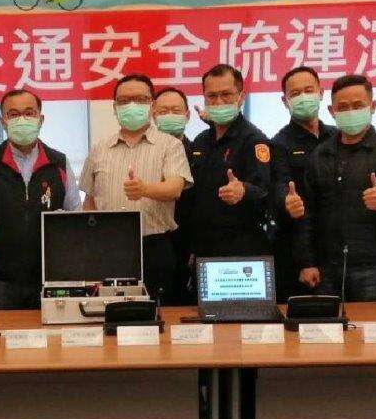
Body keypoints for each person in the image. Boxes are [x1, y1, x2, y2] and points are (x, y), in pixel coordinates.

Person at [293, 74, 376, 301]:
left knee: (374, 324)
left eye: (358, 105)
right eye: (343, 107)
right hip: (327, 269)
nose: (351, 111)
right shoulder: (321, 155)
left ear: (373, 106)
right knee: (327, 324)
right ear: (331, 111)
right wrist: (307, 261)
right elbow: (308, 213)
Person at [0, 89, 81, 310]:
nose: (22, 119)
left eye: (29, 113)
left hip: (49, 274)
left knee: (48, 331)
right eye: (14, 114)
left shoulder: (59, 162)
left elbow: (75, 216)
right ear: (3, 121)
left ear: (40, 119)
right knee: (2, 330)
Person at [80, 74, 192, 305]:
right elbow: (89, 200)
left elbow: (175, 188)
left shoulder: (171, 145)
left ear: (152, 105)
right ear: (115, 107)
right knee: (107, 312)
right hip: (108, 247)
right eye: (124, 100)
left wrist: (144, 189)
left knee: (158, 314)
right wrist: (89, 244)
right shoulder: (99, 149)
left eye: (140, 99)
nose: (132, 105)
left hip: (155, 248)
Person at [185, 64, 273, 260]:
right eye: (212, 96)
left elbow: (266, 190)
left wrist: (244, 190)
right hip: (203, 247)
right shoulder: (200, 141)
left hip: (241, 249)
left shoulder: (254, 140)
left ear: (241, 97)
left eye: (226, 94)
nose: (218, 102)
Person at [269, 66, 337, 300]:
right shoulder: (279, 143)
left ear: (321, 93)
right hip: (301, 252)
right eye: (295, 93)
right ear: (285, 101)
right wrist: (285, 201)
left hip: (339, 249)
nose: (303, 97)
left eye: (309, 90)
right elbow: (279, 186)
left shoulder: (337, 136)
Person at [153, 87, 194, 304]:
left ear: (187, 115)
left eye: (176, 111)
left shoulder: (200, 151)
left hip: (189, 246)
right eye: (163, 111)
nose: (169, 115)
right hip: (154, 245)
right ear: (153, 115)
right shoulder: (144, 154)